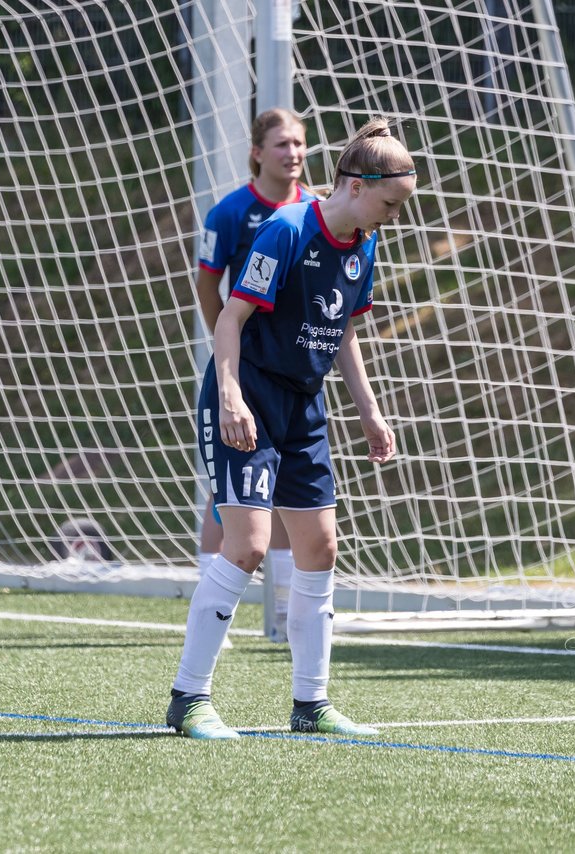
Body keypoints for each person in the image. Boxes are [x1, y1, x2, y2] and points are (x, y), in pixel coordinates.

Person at [168, 117, 417, 739]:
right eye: (389, 203)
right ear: (356, 185)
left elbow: (345, 331)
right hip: (247, 394)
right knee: (248, 546)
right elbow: (230, 320)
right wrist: (229, 398)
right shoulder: (286, 229)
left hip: (305, 405)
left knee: (320, 548)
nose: (393, 216)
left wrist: (368, 408)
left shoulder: (363, 239)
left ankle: (312, 706)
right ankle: (189, 699)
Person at [195, 108, 314, 640]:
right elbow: (206, 283)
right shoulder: (229, 213)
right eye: (282, 144)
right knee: (232, 490)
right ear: (257, 153)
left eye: (299, 143)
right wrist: (230, 343)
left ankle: (287, 615)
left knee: (288, 492)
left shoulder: (318, 210)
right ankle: (212, 600)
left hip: (293, 377)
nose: (293, 153)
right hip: (243, 372)